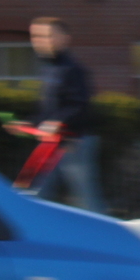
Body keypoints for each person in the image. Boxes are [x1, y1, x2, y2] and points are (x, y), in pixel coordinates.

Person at [28, 16, 103, 213]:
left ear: (65, 39)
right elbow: (50, 108)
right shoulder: (50, 69)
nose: (41, 40)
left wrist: (57, 122)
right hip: (52, 143)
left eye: (48, 36)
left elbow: (79, 104)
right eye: (36, 36)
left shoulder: (72, 70)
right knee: (34, 192)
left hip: (73, 144)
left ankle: (108, 239)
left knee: (86, 199)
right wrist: (31, 123)